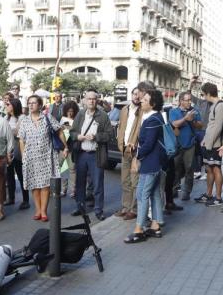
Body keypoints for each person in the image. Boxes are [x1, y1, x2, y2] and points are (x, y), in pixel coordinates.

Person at [124, 89, 167, 243]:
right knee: (154, 193)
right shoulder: (156, 117)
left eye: (145, 99)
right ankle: (155, 225)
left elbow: (148, 144)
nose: (141, 101)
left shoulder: (153, 120)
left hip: (151, 164)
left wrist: (137, 158)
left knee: (142, 194)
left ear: (152, 104)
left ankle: (139, 229)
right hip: (156, 163)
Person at [17, 95, 61, 222]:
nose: (31, 105)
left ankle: (43, 211)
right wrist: (24, 155)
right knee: (34, 185)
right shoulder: (25, 120)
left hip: (46, 156)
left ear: (40, 105)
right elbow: (21, 140)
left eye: (34, 103)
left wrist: (65, 148)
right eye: (29, 103)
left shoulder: (47, 117)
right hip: (30, 157)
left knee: (45, 185)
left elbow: (59, 130)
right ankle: (37, 209)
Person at [70, 90, 112, 220]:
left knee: (98, 184)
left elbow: (109, 135)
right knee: (80, 182)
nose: (91, 101)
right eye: (89, 99)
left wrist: (96, 137)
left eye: (94, 99)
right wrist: (78, 136)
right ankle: (80, 207)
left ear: (97, 100)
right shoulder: (80, 114)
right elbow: (72, 132)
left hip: (96, 154)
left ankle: (98, 210)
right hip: (82, 154)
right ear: (85, 100)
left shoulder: (103, 116)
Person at [115, 82, 155, 220]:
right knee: (124, 181)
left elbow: (140, 131)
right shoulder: (125, 109)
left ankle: (134, 209)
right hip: (124, 149)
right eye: (134, 94)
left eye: (139, 94)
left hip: (135, 151)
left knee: (134, 181)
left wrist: (136, 146)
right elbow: (121, 128)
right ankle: (126, 207)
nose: (136, 97)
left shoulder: (143, 111)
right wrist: (120, 143)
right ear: (131, 95)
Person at [166, 91, 202, 203]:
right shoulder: (173, 111)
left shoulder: (194, 111)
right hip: (176, 145)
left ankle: (187, 191)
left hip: (190, 144)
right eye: (187, 100)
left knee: (189, 168)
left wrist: (193, 122)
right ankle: (175, 189)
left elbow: (200, 125)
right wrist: (185, 118)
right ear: (181, 101)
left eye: (190, 100)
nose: (189, 102)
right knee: (175, 168)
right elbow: (174, 124)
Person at [197, 83, 223, 207]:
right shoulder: (214, 105)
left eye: (204, 94)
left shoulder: (220, 106)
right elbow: (210, 126)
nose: (204, 97)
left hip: (215, 145)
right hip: (208, 143)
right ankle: (209, 194)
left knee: (216, 168)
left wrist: (209, 143)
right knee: (209, 169)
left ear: (209, 93)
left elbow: (218, 127)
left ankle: (218, 198)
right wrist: (205, 140)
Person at [2, 94, 28, 210]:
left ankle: (26, 200)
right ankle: (11, 198)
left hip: (18, 150)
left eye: (8, 104)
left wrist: (8, 132)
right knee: (9, 175)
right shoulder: (5, 118)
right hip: (7, 149)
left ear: (14, 106)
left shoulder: (22, 117)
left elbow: (18, 133)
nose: (6, 106)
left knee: (21, 175)